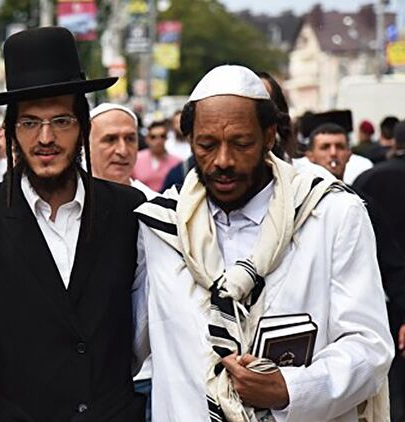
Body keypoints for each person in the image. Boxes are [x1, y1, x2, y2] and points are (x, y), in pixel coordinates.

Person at [135, 65, 392, 421]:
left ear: (269, 136)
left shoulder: (330, 214)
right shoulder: (161, 228)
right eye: (207, 145)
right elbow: (123, 342)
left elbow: (370, 345)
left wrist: (291, 389)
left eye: (241, 144)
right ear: (189, 140)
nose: (223, 161)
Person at [0, 27, 147, 421]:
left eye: (61, 121)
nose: (45, 138)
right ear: (11, 131)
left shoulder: (128, 212)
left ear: (82, 127)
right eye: (29, 123)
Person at [308, 122, 405, 421]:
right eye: (325, 147)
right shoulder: (294, 208)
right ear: (310, 155)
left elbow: (391, 263)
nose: (333, 154)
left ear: (350, 153)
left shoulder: (360, 202)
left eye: (339, 147)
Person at [88, 102, 154, 421]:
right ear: (85, 144)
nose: (122, 150)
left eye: (130, 139)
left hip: (150, 375)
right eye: (110, 139)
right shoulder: (69, 209)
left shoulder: (157, 209)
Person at [132, 120, 182, 192]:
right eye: (153, 137)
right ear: (147, 139)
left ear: (166, 138)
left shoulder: (177, 162)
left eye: (162, 136)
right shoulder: (135, 159)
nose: (158, 140)